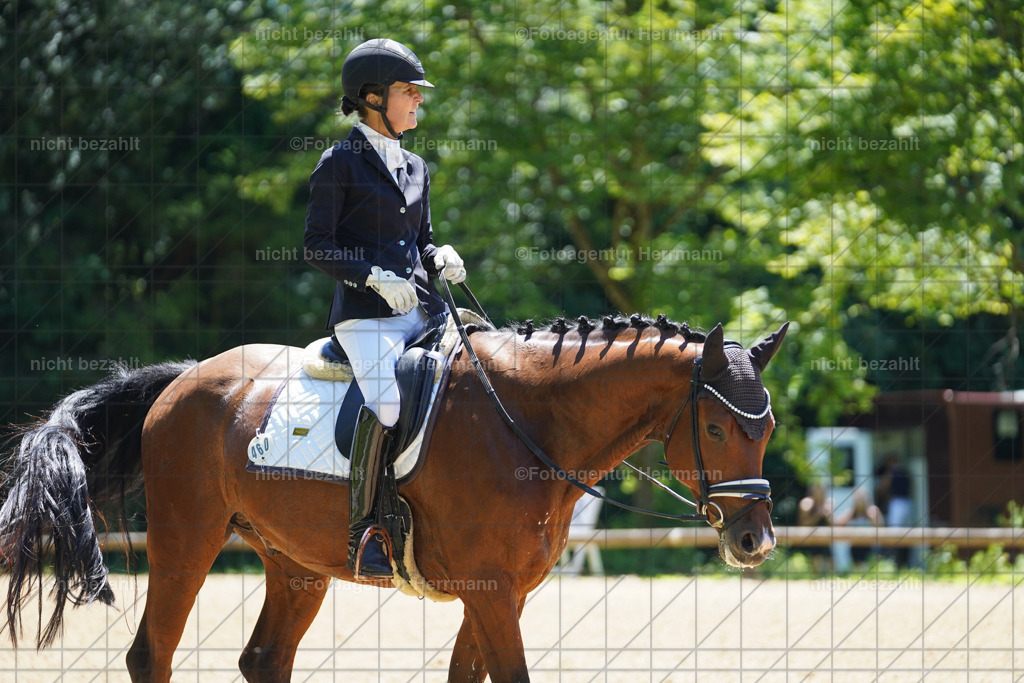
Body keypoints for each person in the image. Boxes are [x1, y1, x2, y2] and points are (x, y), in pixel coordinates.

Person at [303, 38, 466, 579]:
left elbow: (421, 240)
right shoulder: (339, 163)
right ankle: (366, 530)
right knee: (389, 405)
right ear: (372, 98)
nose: (419, 99)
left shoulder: (416, 166)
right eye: (408, 91)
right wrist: (371, 275)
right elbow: (317, 245)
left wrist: (438, 256)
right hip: (365, 316)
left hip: (420, 309)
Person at [835, 488, 884, 568]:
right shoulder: (851, 513)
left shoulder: (872, 511)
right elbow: (837, 524)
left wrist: (874, 520)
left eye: (862, 498)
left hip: (869, 547)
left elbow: (882, 528)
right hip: (854, 547)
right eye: (857, 498)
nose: (860, 500)